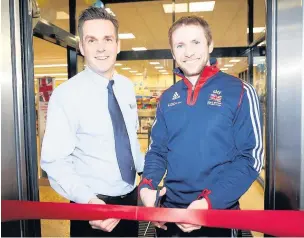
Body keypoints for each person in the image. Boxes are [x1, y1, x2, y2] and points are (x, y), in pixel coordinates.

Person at [139, 16, 264, 237]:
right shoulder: (167, 98)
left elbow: (251, 158)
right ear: (172, 52)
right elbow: (157, 151)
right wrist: (147, 187)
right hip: (170, 216)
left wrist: (207, 204)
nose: (188, 52)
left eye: (196, 42)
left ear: (210, 45)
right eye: (180, 45)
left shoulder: (240, 91)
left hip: (218, 214)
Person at [40, 6, 144, 237]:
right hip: (91, 209)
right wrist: (90, 203)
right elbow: (54, 161)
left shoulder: (127, 86)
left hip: (130, 201)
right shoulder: (67, 95)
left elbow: (130, 141)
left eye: (107, 38)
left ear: (118, 45)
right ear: (81, 46)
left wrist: (148, 178)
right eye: (92, 39)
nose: (101, 47)